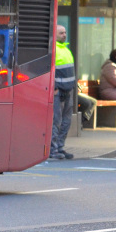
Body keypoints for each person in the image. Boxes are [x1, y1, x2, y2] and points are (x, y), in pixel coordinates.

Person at [51, 25, 75, 159]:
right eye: (61, 33)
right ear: (54, 34)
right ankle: (53, 150)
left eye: (65, 32)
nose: (64, 35)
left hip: (68, 90)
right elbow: (50, 70)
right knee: (56, 121)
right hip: (58, 91)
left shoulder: (65, 49)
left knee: (66, 121)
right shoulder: (53, 50)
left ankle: (60, 147)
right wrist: (54, 87)